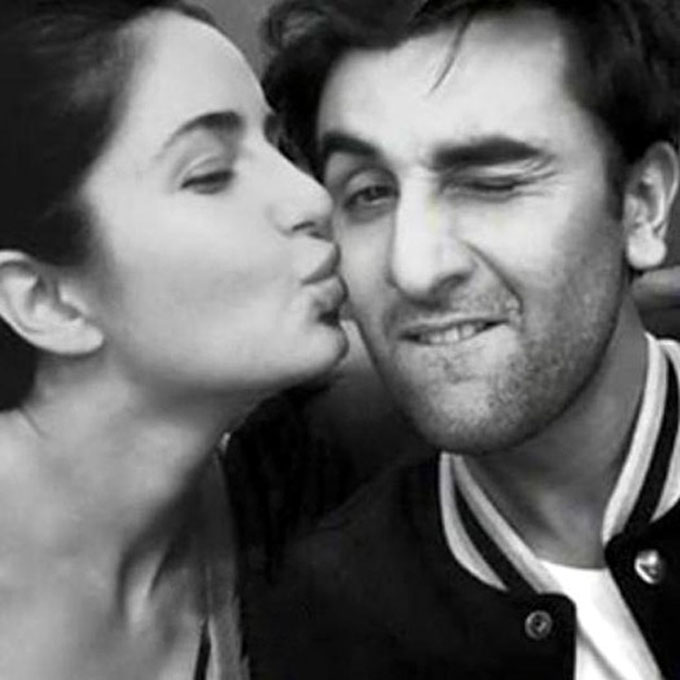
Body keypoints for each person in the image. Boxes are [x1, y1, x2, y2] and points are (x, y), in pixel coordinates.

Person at [241, 0, 680, 678]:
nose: (414, 267)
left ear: (642, 206)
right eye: (369, 194)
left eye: (490, 184)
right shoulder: (328, 623)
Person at [0, 1, 348, 678]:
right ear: (46, 300)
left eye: (278, 147)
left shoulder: (299, 469)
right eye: (210, 175)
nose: (313, 199)